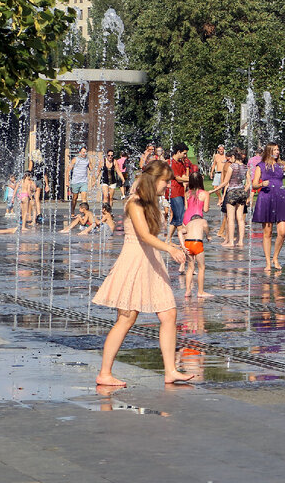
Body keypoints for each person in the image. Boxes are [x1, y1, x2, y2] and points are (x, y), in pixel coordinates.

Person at [92, 160, 194, 387]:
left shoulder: (151, 202)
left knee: (169, 314)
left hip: (152, 261)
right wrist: (170, 248)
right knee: (127, 318)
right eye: (165, 181)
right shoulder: (135, 202)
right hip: (134, 260)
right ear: (153, 180)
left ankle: (170, 370)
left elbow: (154, 236)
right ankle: (104, 373)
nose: (167, 186)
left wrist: (176, 243)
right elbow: (144, 235)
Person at [252, 142, 285, 273]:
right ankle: (268, 262)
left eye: (278, 149)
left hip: (281, 198)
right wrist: (262, 183)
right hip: (266, 198)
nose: (277, 152)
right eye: (275, 150)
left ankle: (275, 257)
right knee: (267, 233)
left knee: (282, 232)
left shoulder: (281, 164)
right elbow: (254, 185)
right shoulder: (260, 166)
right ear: (269, 151)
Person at [181, 169, 211, 298]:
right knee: (200, 264)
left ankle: (187, 290)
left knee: (189, 263)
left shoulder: (187, 193)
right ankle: (200, 291)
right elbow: (205, 209)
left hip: (186, 220)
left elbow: (187, 208)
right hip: (198, 219)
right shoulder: (205, 193)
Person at [219, 148, 248, 248]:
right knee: (240, 218)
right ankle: (240, 242)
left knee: (230, 218)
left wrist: (214, 190)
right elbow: (249, 183)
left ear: (233, 157)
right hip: (242, 192)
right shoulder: (245, 167)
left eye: (229, 158)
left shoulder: (232, 166)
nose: (229, 160)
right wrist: (244, 190)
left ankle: (231, 242)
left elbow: (225, 182)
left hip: (232, 192)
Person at [166, 143, 191, 242]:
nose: (185, 156)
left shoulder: (180, 163)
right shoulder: (170, 163)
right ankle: (185, 241)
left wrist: (193, 178)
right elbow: (178, 178)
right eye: (184, 153)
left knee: (176, 217)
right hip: (173, 191)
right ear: (178, 152)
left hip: (179, 191)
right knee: (179, 216)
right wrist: (193, 179)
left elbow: (184, 176)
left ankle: (168, 240)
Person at [66, 146, 92, 222]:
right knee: (75, 198)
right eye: (83, 152)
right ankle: (72, 211)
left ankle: (85, 213)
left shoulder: (87, 160)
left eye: (85, 152)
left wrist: (93, 179)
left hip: (84, 181)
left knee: (84, 198)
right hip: (75, 182)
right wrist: (67, 181)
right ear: (80, 152)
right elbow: (68, 170)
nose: (84, 154)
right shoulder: (75, 159)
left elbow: (92, 169)